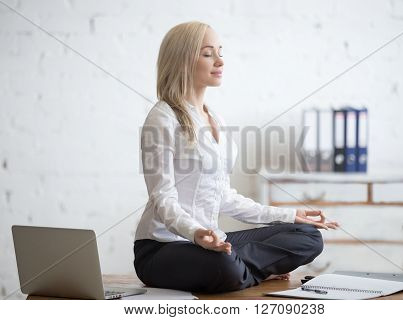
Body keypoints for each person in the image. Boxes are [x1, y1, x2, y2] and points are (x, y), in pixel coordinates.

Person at [134, 21, 339, 294]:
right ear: (182, 59)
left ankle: (242, 270)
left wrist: (290, 215)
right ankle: (249, 270)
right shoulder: (162, 117)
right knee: (224, 265)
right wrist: (196, 234)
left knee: (309, 237)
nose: (220, 61)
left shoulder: (215, 118)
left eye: (220, 52)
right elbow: (162, 199)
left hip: (211, 242)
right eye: (208, 54)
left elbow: (225, 197)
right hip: (162, 248)